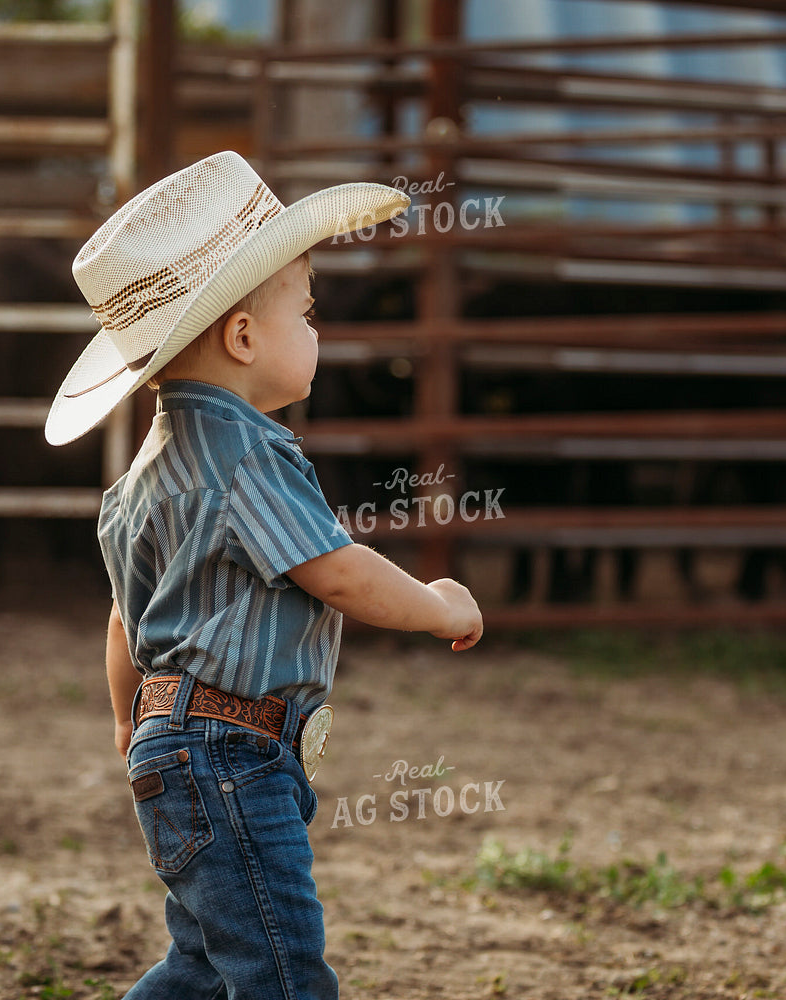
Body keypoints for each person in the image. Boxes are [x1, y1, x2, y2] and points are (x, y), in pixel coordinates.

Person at [44, 150, 484, 999]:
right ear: (244, 338)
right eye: (308, 314)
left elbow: (121, 623)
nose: (319, 332)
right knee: (283, 973)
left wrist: (128, 730)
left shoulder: (140, 479)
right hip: (237, 754)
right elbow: (340, 574)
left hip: (175, 751)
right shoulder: (251, 456)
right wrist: (435, 606)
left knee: (205, 967)